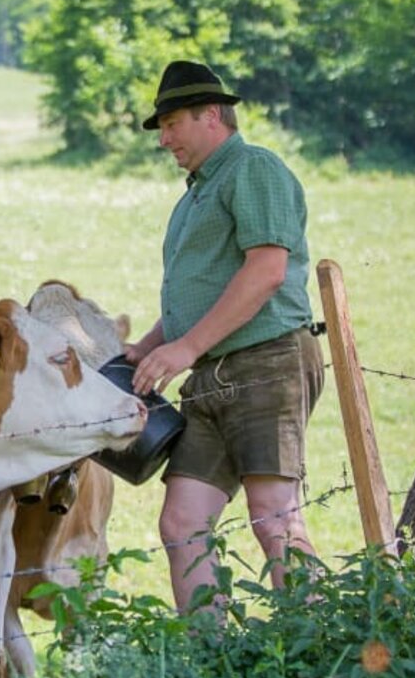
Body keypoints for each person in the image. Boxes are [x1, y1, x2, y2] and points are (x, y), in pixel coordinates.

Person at [125, 60, 324, 616]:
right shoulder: (194, 195)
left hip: (267, 362)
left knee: (273, 513)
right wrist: (147, 346)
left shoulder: (253, 170)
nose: (164, 140)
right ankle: (211, 661)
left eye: (171, 124)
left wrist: (185, 349)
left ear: (211, 115)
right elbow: (207, 291)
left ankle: (316, 645)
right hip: (210, 375)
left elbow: (265, 272)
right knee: (182, 520)